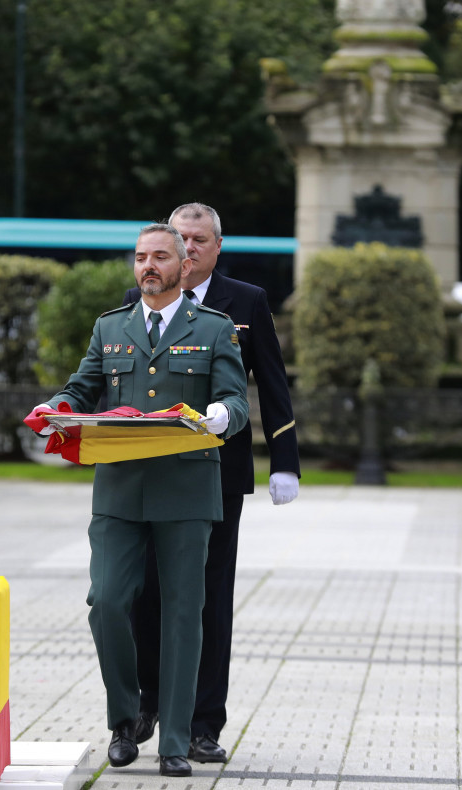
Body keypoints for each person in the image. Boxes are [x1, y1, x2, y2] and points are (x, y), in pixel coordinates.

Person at [26, 223, 249, 778]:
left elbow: (235, 399)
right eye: (140, 257)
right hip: (121, 492)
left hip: (186, 490)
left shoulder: (216, 329)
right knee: (106, 602)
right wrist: (58, 404)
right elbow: (83, 387)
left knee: (181, 615)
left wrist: (219, 418)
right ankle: (124, 719)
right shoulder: (112, 326)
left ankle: (174, 739)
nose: (148, 266)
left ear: (185, 265)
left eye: (160, 257)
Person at [125, 203, 301, 763]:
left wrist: (285, 460)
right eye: (179, 238)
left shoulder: (244, 302)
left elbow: (271, 383)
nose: (189, 247)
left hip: (218, 477)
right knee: (146, 595)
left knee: (207, 600)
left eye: (198, 239)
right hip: (152, 476)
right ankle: (149, 703)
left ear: (215, 247)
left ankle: (203, 724)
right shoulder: (141, 300)